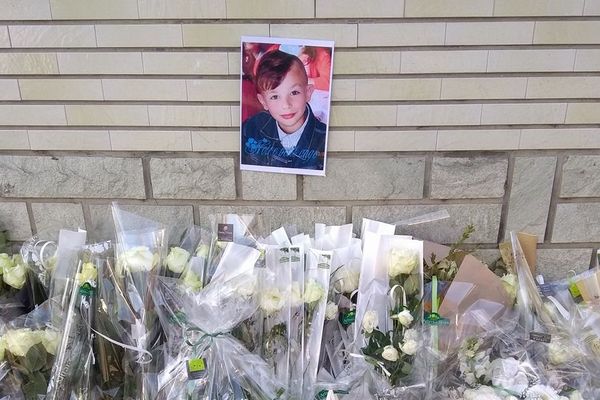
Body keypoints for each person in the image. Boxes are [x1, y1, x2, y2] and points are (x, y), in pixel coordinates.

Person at [241, 50, 327, 171]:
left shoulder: (325, 140)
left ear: (308, 93)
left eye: (294, 92)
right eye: (275, 97)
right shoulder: (250, 129)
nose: (286, 105)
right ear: (263, 101)